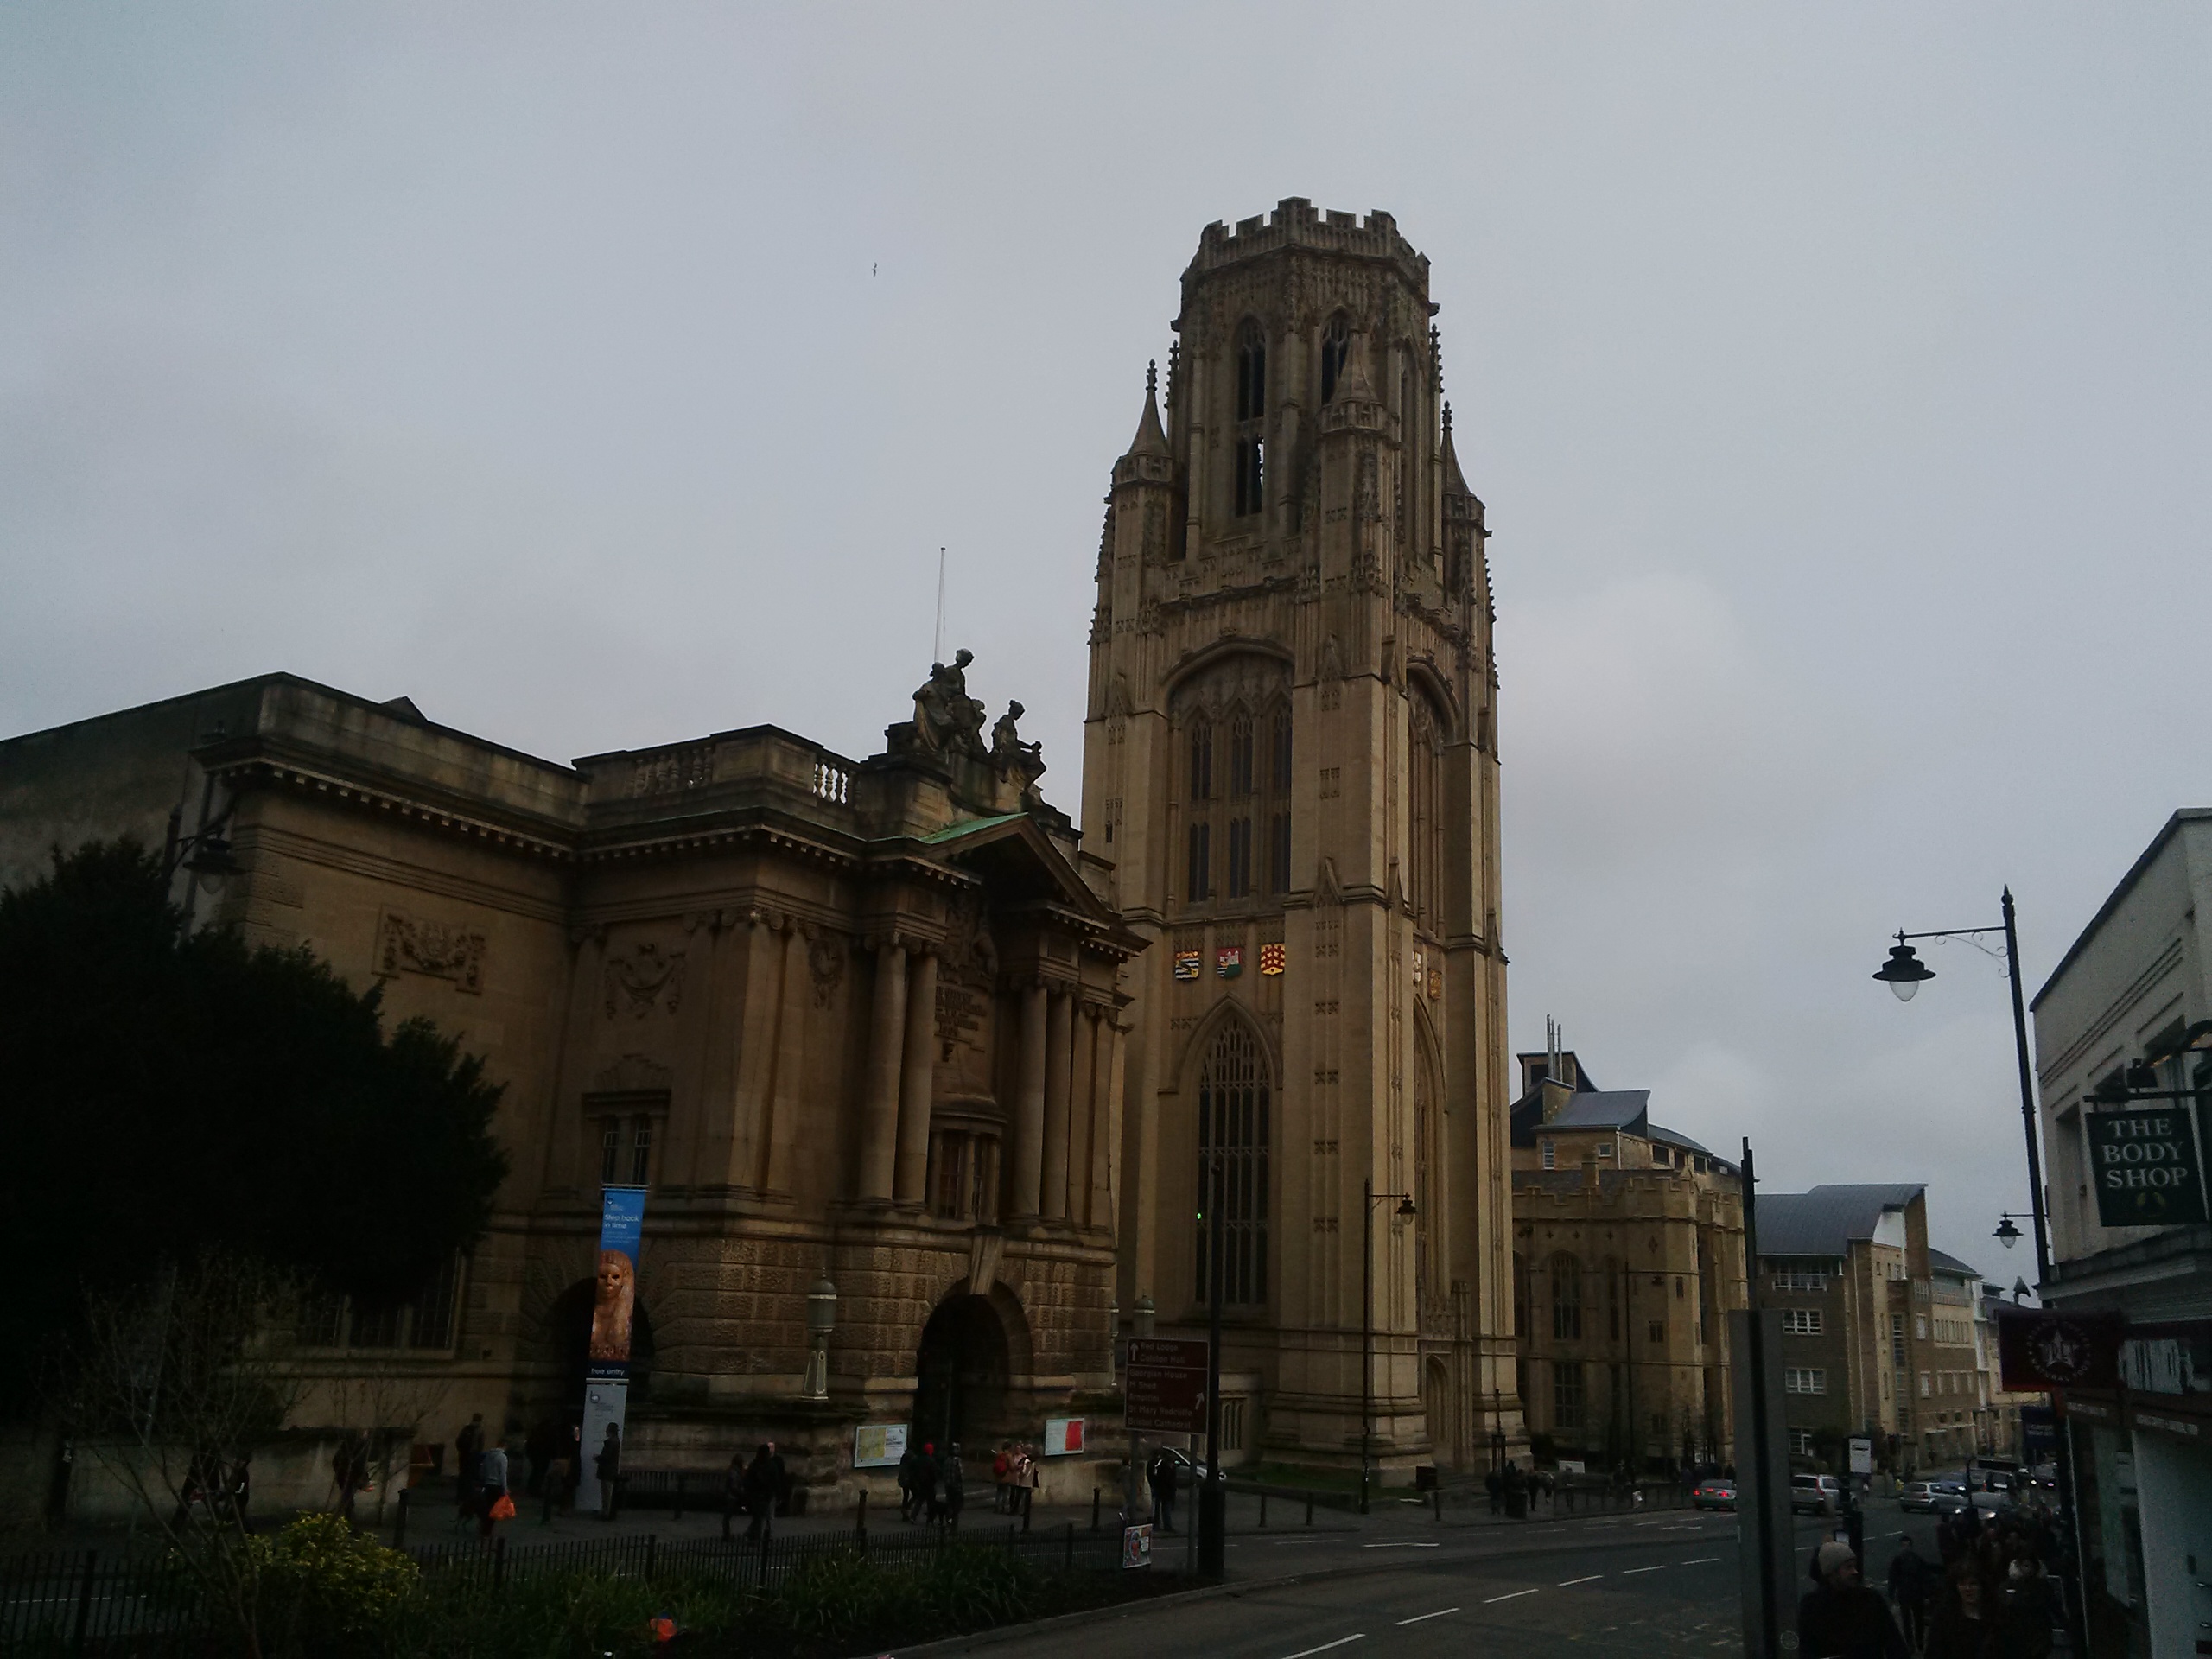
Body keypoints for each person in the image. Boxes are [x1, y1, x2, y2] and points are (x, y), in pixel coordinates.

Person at [1799, 1540, 1908, 1659]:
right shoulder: (1813, 1606)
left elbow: (1894, 1642)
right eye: (1848, 1567)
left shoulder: (1871, 1599)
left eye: (1854, 1566)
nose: (1854, 1572)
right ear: (1832, 1572)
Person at [1923, 1560, 1999, 1659]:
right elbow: (1934, 1651)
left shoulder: (1996, 1615)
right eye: (1962, 1584)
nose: (1968, 1589)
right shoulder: (1944, 1617)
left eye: (1973, 1584)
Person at [477, 1438, 510, 1541]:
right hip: (497, 1486)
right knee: (494, 1510)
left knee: (487, 1508)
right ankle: (487, 1532)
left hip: (488, 1484)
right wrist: (505, 1488)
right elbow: (503, 1474)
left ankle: (483, 1527)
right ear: (505, 1446)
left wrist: (483, 1480)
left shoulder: (488, 1455)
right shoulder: (502, 1457)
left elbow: (482, 1469)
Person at [454, 1414, 485, 1529]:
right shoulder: (480, 1430)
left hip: (463, 1455)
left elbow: (458, 1442)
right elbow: (480, 1445)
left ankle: (459, 1497)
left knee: (462, 1475)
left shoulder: (466, 1428)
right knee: (470, 1477)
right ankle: (468, 1498)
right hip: (473, 1456)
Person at [743, 1445, 775, 1541]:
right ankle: (754, 1536)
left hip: (757, 1495)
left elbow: (748, 1480)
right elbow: (774, 1481)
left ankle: (752, 1534)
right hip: (763, 1495)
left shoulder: (755, 1464)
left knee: (758, 1517)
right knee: (760, 1517)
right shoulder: (769, 1465)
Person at [594, 1422, 622, 1522]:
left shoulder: (611, 1442)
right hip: (610, 1470)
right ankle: (606, 1512)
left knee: (606, 1493)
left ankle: (606, 1513)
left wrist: (597, 1458)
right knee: (607, 1493)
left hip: (607, 1471)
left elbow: (606, 1457)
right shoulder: (616, 1441)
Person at [721, 1450, 747, 1542]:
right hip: (732, 1497)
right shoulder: (734, 1472)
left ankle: (727, 1535)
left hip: (732, 1497)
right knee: (727, 1518)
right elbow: (734, 1486)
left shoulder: (735, 1471)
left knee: (727, 1517)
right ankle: (727, 1535)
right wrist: (741, 1492)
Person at [942, 1442, 965, 1529]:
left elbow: (944, 1473)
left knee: (949, 1503)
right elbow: (960, 1474)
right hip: (956, 1486)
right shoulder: (957, 1461)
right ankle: (954, 1524)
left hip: (948, 1485)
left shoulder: (947, 1460)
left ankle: (948, 1520)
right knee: (957, 1506)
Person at [993, 1444, 1013, 1514]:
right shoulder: (1008, 1456)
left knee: (999, 1492)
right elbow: (1011, 1467)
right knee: (1005, 1493)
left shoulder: (999, 1455)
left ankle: (996, 1507)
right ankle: (1003, 1508)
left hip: (998, 1477)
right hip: (1006, 1476)